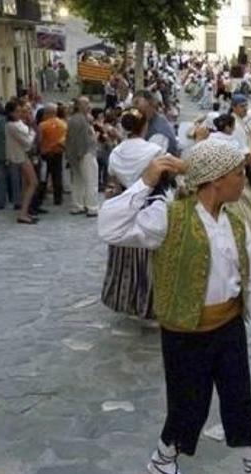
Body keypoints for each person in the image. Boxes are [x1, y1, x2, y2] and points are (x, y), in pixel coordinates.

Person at [97, 140, 251, 474]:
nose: (244, 180)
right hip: (184, 331)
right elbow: (110, 228)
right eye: (238, 173)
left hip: (227, 327)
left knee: (239, 399)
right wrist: (146, 182)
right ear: (216, 180)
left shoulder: (237, 223)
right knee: (188, 405)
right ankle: (164, 461)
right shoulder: (168, 216)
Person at [101, 109, 164, 319]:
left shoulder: (117, 152)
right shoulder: (154, 151)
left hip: (124, 206)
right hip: (147, 206)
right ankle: (148, 304)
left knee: (125, 257)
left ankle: (126, 300)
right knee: (148, 260)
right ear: (144, 126)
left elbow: (113, 182)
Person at [5, 100, 39, 224]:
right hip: (20, 156)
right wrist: (32, 131)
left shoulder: (15, 124)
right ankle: (23, 212)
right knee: (33, 183)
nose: (20, 114)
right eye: (17, 111)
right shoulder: (12, 126)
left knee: (27, 184)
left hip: (21, 155)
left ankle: (24, 211)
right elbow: (27, 142)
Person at [65, 97, 100, 217]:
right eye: (86, 104)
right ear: (79, 106)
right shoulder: (79, 120)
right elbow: (78, 140)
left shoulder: (78, 119)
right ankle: (92, 207)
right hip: (85, 153)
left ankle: (78, 205)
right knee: (91, 181)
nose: (89, 106)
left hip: (81, 154)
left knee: (78, 181)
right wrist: (79, 154)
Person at [38, 103, 67, 206]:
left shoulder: (42, 125)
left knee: (43, 176)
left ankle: (41, 197)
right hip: (58, 152)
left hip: (45, 154)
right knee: (57, 176)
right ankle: (58, 199)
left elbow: (40, 140)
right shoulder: (63, 124)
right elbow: (65, 139)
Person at [135, 90, 180, 156]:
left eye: (137, 104)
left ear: (150, 105)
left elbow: (150, 159)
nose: (135, 111)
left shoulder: (158, 133)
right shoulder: (154, 119)